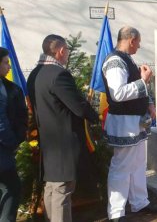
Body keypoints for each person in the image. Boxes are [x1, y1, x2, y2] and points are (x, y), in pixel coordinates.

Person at [27, 35, 99, 222]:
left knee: (51, 189)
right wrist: (94, 116)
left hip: (49, 142)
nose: (67, 53)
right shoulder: (59, 74)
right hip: (64, 145)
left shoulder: (35, 74)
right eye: (66, 50)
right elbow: (77, 106)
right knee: (61, 192)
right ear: (60, 51)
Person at [102, 26, 157, 221]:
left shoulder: (127, 59)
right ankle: (116, 213)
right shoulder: (115, 61)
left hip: (136, 121)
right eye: (139, 41)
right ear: (131, 39)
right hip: (123, 122)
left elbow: (136, 88)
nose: (140, 45)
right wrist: (144, 81)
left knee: (137, 164)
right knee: (122, 166)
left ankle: (139, 202)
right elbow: (117, 93)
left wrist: (149, 102)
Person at [0, 47, 28, 222]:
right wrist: (12, 141)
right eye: (5, 62)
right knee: (12, 188)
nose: (9, 67)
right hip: (3, 148)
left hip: (6, 149)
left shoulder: (9, 87)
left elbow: (19, 115)